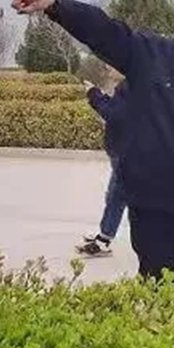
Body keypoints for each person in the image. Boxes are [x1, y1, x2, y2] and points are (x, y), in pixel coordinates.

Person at [6, 0, 174, 296]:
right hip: (156, 209)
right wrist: (54, 5)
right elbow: (104, 30)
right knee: (158, 298)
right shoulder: (148, 54)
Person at [75, 77, 129, 257]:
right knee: (115, 196)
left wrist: (94, 95)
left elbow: (115, 114)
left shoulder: (134, 82)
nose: (108, 67)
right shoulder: (130, 81)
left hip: (127, 152)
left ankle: (104, 239)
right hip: (122, 149)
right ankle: (105, 234)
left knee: (117, 196)